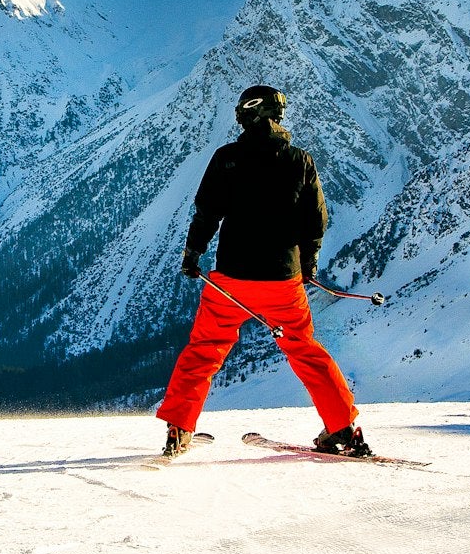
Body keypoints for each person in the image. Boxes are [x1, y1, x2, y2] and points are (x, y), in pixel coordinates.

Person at [154, 84, 371, 458]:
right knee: (304, 349)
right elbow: (316, 221)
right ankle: (342, 429)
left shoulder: (227, 158)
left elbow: (207, 212)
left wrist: (193, 255)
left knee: (204, 350)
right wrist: (307, 266)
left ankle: (179, 428)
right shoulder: (299, 160)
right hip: (282, 282)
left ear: (248, 113)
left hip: (231, 281)